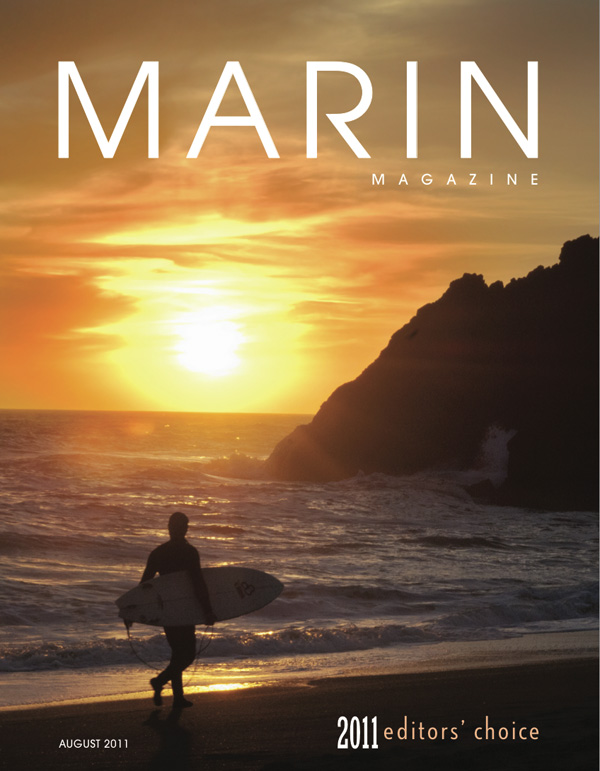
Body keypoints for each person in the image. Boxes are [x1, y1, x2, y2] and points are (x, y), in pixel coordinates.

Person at [141, 511, 217, 709]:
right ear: (180, 528)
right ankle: (160, 682)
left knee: (179, 654)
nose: (182, 530)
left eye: (183, 527)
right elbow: (198, 583)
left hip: (170, 610)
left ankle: (177, 696)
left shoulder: (158, 553)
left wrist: (133, 611)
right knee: (187, 654)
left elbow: (144, 586)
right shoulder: (189, 552)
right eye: (182, 526)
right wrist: (207, 610)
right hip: (182, 609)